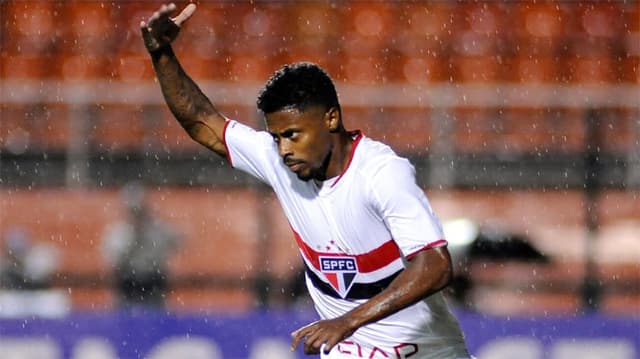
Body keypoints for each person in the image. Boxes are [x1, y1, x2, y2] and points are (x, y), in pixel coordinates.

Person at [140, 3, 472, 358]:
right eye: (277, 136)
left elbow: (435, 266)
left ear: (330, 119)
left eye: (293, 134)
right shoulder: (280, 160)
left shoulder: (381, 173)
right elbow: (202, 122)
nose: (283, 149)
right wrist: (161, 54)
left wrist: (346, 322)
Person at [101, 182, 179, 308]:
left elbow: (177, 243)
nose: (136, 215)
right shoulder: (117, 233)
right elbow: (113, 261)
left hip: (154, 288)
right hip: (128, 288)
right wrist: (133, 238)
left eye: (139, 210)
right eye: (133, 211)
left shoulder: (157, 230)